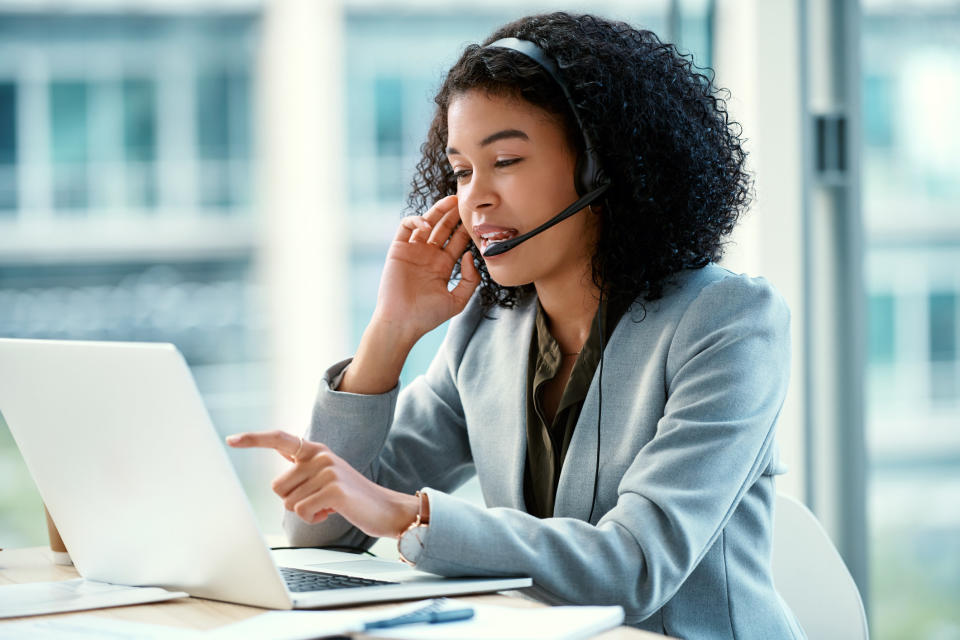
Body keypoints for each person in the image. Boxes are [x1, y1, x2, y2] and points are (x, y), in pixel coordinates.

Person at [227, 11, 805, 639]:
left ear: (603, 167)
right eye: (462, 169)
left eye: (505, 159)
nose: (475, 198)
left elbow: (636, 566)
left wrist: (406, 515)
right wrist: (390, 333)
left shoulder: (728, 323)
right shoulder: (488, 331)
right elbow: (323, 527)